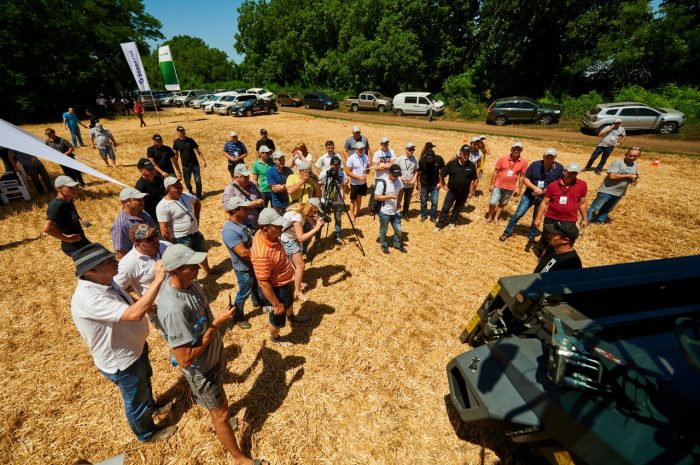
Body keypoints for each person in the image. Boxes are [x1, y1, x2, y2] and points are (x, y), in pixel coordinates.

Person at [156, 244, 268, 465]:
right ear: (174, 271)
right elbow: (185, 359)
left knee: (220, 407)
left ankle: (220, 419)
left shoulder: (192, 283)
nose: (198, 267)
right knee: (221, 415)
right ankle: (239, 459)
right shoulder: (173, 308)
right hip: (202, 371)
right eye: (191, 265)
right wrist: (216, 325)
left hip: (212, 357)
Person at [70, 243, 176, 443]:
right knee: (135, 400)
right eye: (109, 261)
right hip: (122, 360)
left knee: (145, 381)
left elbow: (126, 301)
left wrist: (140, 303)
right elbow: (133, 315)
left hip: (133, 348)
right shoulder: (89, 298)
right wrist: (158, 279)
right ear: (92, 270)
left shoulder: (104, 280)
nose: (115, 261)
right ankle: (146, 434)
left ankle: (152, 407)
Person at [252, 208, 310, 348]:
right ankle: (275, 338)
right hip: (275, 290)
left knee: (289, 303)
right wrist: (276, 305)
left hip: (284, 283)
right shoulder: (262, 253)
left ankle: (291, 317)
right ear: (265, 228)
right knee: (276, 317)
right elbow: (263, 283)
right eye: (277, 226)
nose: (281, 228)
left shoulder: (268, 236)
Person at [500, 147, 564, 242]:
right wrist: (535, 188)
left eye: (551, 157)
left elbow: (560, 182)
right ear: (543, 156)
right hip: (529, 195)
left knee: (536, 217)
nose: (549, 159)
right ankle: (506, 232)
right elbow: (525, 179)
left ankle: (532, 236)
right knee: (518, 214)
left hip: (544, 198)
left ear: (555, 157)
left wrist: (550, 190)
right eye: (547, 157)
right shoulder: (535, 165)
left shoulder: (559, 168)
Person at [156, 177, 214, 275]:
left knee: (202, 252)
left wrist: (196, 216)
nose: (179, 189)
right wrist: (172, 246)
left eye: (180, 186)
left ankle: (207, 270)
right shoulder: (163, 206)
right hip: (181, 238)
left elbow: (197, 202)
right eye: (175, 187)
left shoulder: (185, 196)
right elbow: (164, 230)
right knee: (187, 262)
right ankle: (191, 279)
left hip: (195, 232)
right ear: (167, 189)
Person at [221, 198, 263, 329]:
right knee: (244, 292)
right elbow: (244, 253)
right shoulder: (229, 231)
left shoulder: (246, 221)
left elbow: (257, 234)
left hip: (254, 262)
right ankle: (237, 317)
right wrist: (262, 253)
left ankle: (257, 302)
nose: (247, 210)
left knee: (256, 283)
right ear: (235, 211)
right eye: (244, 209)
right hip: (244, 267)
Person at [533, 162, 589, 256]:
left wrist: (585, 219)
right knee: (547, 237)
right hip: (551, 217)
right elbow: (544, 203)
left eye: (575, 173)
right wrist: (538, 218)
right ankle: (542, 254)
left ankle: (556, 255)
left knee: (563, 240)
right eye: (570, 172)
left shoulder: (582, 185)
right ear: (564, 171)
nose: (572, 175)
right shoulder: (553, 185)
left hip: (569, 219)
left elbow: (582, 203)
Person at [281, 200, 326, 301]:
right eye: (314, 212)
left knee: (293, 264)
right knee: (300, 266)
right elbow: (301, 237)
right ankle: (297, 292)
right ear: (309, 209)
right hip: (289, 241)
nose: (315, 214)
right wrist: (316, 229)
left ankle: (298, 282)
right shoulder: (297, 217)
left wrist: (317, 220)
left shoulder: (301, 211)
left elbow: (315, 225)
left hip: (288, 238)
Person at [588, 147, 640, 224]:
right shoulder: (617, 162)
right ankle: (585, 221)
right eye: (630, 155)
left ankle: (598, 222)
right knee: (595, 208)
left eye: (635, 156)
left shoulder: (635, 165)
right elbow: (612, 176)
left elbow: (633, 179)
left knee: (607, 209)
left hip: (619, 193)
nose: (632, 158)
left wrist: (634, 180)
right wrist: (628, 175)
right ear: (626, 154)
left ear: (638, 156)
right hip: (607, 190)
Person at [42, 175, 91, 255]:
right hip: (73, 247)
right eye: (70, 188)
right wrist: (67, 239)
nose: (75, 190)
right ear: (59, 189)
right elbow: (47, 228)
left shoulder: (68, 201)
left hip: (81, 241)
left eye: (75, 187)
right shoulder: (56, 205)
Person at [434, 146, 478, 231]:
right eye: (465, 153)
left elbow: (473, 179)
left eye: (468, 153)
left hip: (464, 193)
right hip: (452, 192)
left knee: (458, 208)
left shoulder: (472, 166)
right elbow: (442, 174)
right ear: (460, 153)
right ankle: (439, 225)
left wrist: (471, 191)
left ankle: (452, 222)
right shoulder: (452, 164)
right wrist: (443, 185)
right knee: (446, 208)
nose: (466, 155)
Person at [485, 142, 529, 225]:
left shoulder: (524, 162)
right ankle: (490, 217)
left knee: (502, 203)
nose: (516, 151)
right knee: (493, 202)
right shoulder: (503, 158)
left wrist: (519, 189)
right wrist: (492, 184)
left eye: (518, 149)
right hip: (498, 185)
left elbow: (522, 176)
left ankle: (496, 218)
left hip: (510, 187)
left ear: (521, 150)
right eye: (515, 149)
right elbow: (495, 172)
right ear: (511, 149)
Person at [111, 187, 157, 260]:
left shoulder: (143, 213)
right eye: (138, 200)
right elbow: (120, 253)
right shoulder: (120, 225)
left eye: (142, 199)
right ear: (126, 203)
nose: (143, 202)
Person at [375, 164, 406, 253]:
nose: (396, 177)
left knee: (398, 230)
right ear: (389, 173)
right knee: (384, 230)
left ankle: (397, 245)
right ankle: (384, 245)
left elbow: (401, 191)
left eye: (397, 175)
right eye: (394, 175)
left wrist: (399, 202)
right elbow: (376, 197)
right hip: (384, 212)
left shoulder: (398, 180)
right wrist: (388, 197)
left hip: (395, 211)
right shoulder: (382, 182)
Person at [173, 126, 207, 200]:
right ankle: (190, 190)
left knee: (198, 180)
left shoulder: (190, 140)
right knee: (187, 181)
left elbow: (198, 150)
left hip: (195, 164)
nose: (182, 132)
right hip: (185, 166)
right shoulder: (176, 142)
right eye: (180, 131)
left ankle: (198, 194)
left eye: (183, 131)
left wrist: (203, 160)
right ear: (178, 132)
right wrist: (176, 166)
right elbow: (176, 155)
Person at [319, 155, 347, 244]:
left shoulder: (342, 174)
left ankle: (337, 236)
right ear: (330, 165)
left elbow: (344, 188)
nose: (336, 168)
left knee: (338, 219)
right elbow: (319, 185)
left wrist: (345, 187)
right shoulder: (324, 173)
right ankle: (318, 239)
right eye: (334, 166)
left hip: (338, 200)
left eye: (338, 166)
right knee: (321, 220)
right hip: (325, 200)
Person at [416, 142, 444, 222]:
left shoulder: (439, 159)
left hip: (435, 185)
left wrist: (440, 183)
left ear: (434, 157)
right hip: (424, 184)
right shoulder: (422, 160)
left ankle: (432, 216)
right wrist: (418, 184)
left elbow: (442, 171)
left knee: (434, 202)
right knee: (423, 201)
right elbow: (419, 173)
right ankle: (423, 215)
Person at [345, 141, 370, 221]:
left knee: (360, 198)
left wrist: (368, 168)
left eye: (362, 149)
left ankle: (358, 212)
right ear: (355, 149)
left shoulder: (365, 156)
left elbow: (367, 170)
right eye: (359, 149)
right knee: (353, 200)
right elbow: (347, 172)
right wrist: (359, 177)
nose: (361, 150)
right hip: (354, 183)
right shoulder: (350, 158)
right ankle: (352, 215)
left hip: (363, 182)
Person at [395, 142, 418, 219]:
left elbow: (416, 171)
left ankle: (405, 214)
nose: (412, 151)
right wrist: (400, 177)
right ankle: (396, 213)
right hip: (400, 184)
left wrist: (414, 180)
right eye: (410, 149)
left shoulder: (415, 159)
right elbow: (395, 170)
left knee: (407, 200)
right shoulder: (399, 159)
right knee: (399, 199)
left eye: (413, 149)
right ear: (406, 150)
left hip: (410, 184)